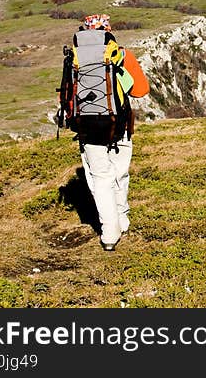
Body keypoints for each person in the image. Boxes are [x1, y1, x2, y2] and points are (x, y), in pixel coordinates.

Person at [57, 13, 149, 251]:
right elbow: (141, 90)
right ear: (108, 32)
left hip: (87, 129)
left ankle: (109, 233)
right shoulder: (121, 55)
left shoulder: (74, 59)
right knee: (120, 173)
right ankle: (123, 220)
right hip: (120, 127)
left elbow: (65, 97)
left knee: (101, 179)